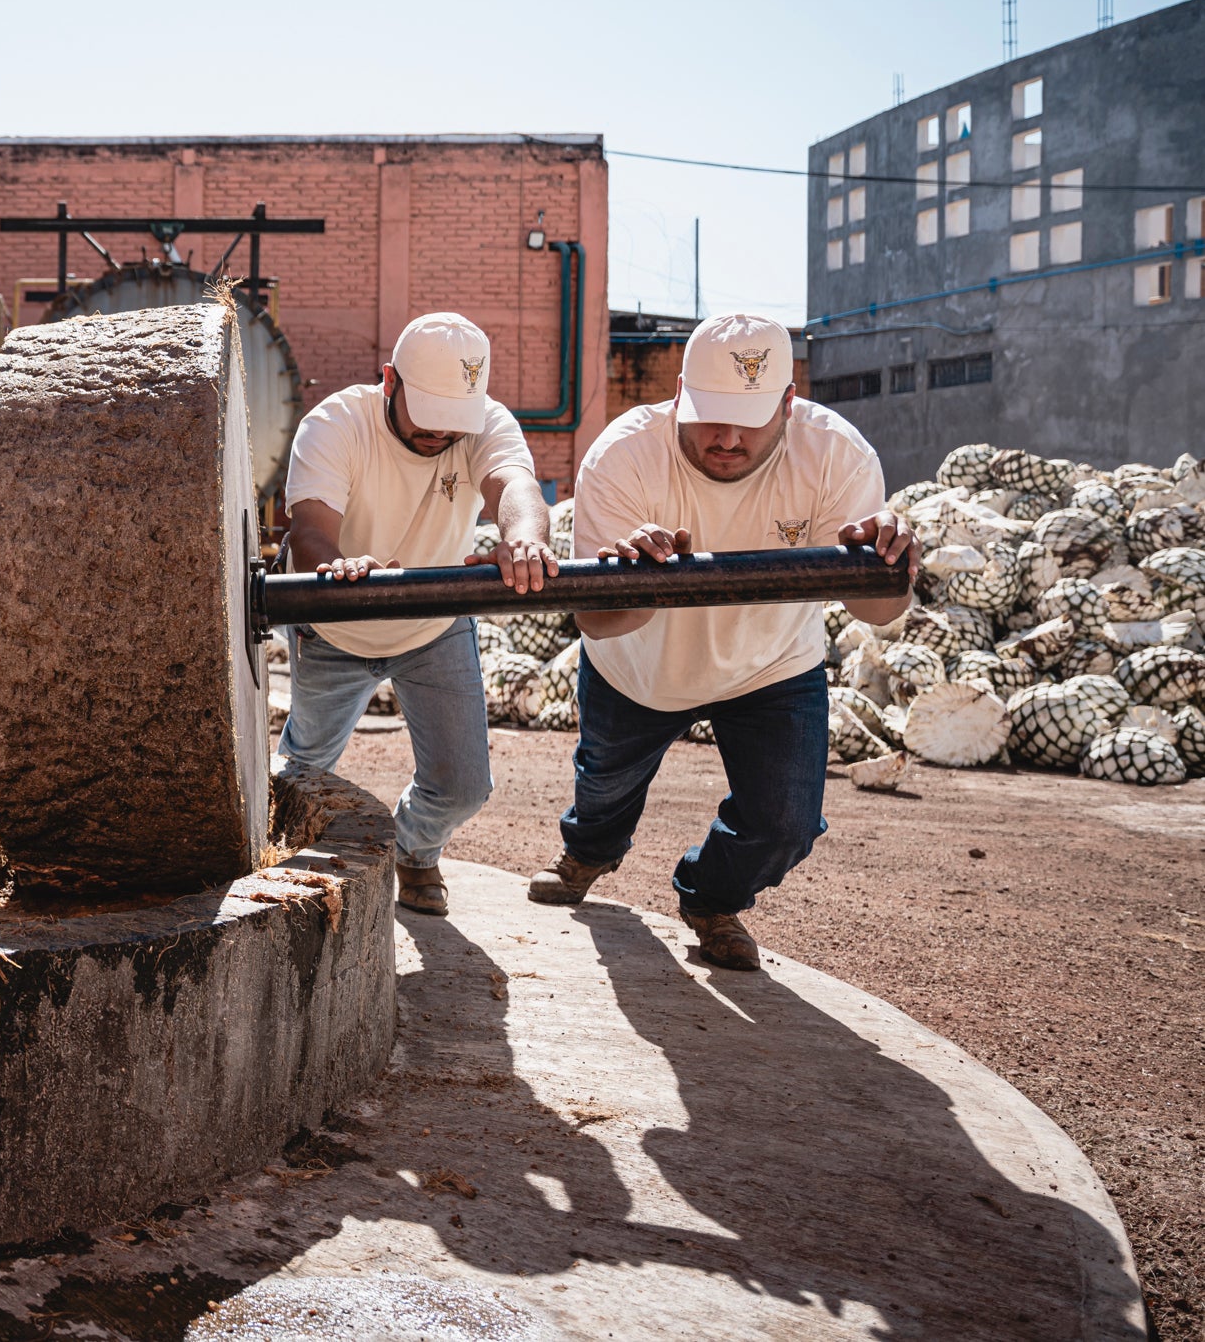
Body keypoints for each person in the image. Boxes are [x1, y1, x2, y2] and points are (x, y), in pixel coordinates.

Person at [529, 313, 917, 970]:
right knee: (603, 790)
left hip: (771, 663)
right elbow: (595, 621)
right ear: (680, 393)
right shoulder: (622, 455)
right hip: (640, 666)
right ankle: (590, 851)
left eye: (750, 420)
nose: (728, 439)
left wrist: (890, 565)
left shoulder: (836, 455)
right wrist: (639, 580)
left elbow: (877, 611)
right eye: (711, 416)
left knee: (786, 824)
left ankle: (711, 898)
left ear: (788, 403)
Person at [277, 312, 558, 916]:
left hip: (434, 622)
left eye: (454, 419)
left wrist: (524, 538)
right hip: (336, 626)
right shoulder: (334, 423)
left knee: (463, 787)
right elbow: (311, 530)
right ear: (389, 381)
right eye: (428, 414)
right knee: (301, 772)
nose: (440, 433)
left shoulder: (484, 424)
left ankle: (412, 849)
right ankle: (280, 864)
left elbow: (515, 487)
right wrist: (337, 568)